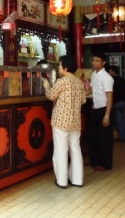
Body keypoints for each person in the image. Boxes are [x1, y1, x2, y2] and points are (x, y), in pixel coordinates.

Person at [42, 55, 86, 189]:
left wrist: (47, 86)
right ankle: (77, 180)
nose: (59, 68)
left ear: (65, 68)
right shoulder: (79, 82)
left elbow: (51, 96)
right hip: (75, 121)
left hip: (61, 120)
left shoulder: (62, 81)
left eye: (60, 65)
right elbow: (83, 100)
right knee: (75, 149)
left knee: (61, 150)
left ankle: (62, 181)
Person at [87, 52, 114, 171]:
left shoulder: (107, 78)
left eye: (97, 61)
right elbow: (91, 90)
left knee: (104, 139)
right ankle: (94, 161)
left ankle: (105, 164)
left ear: (103, 63)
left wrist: (107, 116)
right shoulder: (94, 74)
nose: (94, 63)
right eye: (93, 60)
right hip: (95, 109)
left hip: (104, 109)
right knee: (93, 136)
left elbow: (110, 97)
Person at [108, 65, 125, 142]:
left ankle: (122, 137)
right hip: (123, 102)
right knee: (124, 119)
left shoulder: (111, 81)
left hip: (116, 103)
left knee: (119, 120)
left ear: (113, 71)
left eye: (110, 71)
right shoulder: (122, 79)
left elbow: (111, 93)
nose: (109, 72)